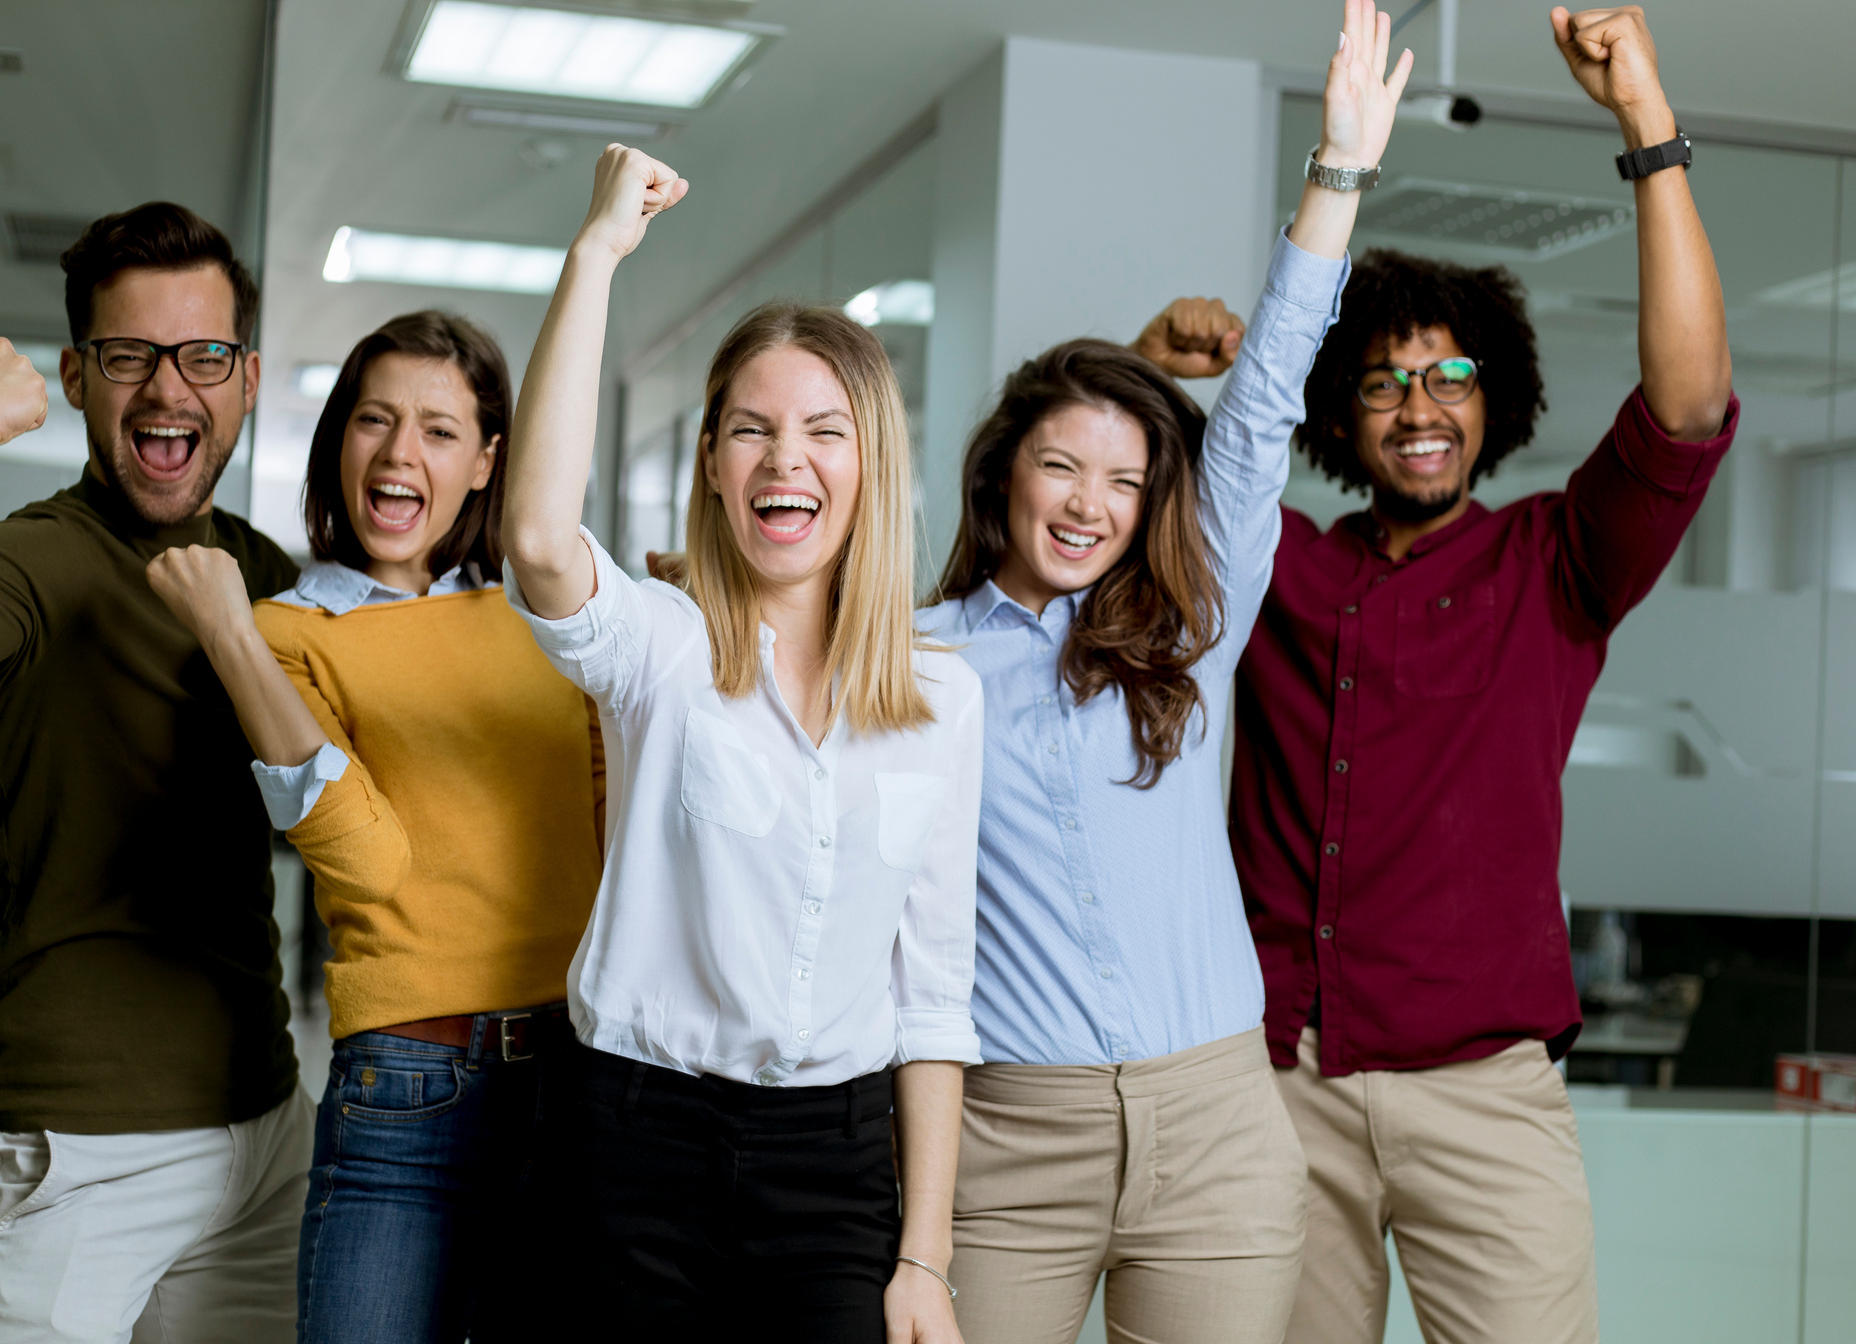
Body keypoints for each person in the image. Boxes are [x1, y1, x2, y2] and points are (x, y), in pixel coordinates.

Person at [1133, 7, 1736, 1342]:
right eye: (1385, 382)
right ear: (1339, 418)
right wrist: (1143, 365)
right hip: (1281, 1081)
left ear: (1494, 398)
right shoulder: (1271, 564)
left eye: (1450, 374)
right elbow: (1112, 501)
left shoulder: (1560, 563)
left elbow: (1688, 408)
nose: (1421, 405)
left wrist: (1645, 121)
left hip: (1485, 1098)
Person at [917, 5, 1410, 1341]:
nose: (1090, 505)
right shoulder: (919, 663)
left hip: (1215, 1131)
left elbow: (1254, 417)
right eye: (1063, 467)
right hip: (1006, 1140)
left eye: (1128, 482)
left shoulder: (1189, 626)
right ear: (1001, 474)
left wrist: (1339, 172)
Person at [500, 146, 984, 1344]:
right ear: (714, 469)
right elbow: (540, 535)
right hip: (631, 1145)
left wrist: (924, 1260)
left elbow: (932, 998)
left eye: (825, 431)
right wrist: (598, 251)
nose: (786, 461)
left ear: (868, 466)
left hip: (832, 1165)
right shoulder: (660, 650)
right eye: (750, 432)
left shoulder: (941, 698)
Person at [0, 203, 311, 1342]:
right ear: (76, 375)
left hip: (260, 1136)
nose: (169, 389)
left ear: (246, 378)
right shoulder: (32, 563)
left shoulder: (262, 572)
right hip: (71, 1152)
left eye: (203, 355)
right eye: (128, 356)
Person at [142, 310, 605, 1342]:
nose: (401, 454)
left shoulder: (554, 616)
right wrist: (227, 629)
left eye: (441, 432)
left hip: (584, 1079)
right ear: (338, 441)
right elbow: (366, 859)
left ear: (489, 461)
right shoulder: (286, 634)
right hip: (409, 1082)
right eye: (375, 421)